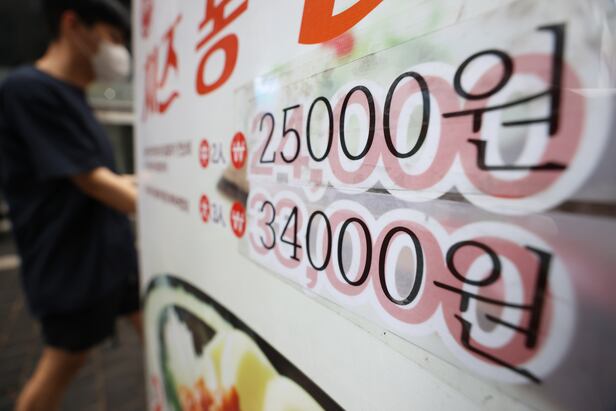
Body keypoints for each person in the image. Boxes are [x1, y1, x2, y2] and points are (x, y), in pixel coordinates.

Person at [0, 1, 140, 410]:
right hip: (70, 259)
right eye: (112, 37)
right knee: (65, 359)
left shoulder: (76, 95)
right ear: (73, 24)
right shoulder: (27, 90)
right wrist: (168, 208)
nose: (118, 51)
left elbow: (106, 176)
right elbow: (91, 180)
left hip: (111, 251)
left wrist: (152, 186)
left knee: (150, 316)